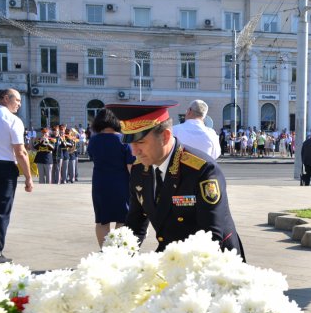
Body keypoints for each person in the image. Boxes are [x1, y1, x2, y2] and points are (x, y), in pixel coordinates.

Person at [106, 101, 245, 257]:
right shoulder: (140, 169)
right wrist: (113, 260)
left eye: (140, 142)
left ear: (165, 136)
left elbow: (211, 236)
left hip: (215, 261)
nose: (134, 152)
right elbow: (135, 225)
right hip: (171, 256)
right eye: (130, 144)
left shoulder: (201, 170)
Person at [0, 89, 33, 261]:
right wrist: (28, 178)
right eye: (16, 100)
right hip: (4, 168)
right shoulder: (12, 120)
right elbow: (20, 152)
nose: (19, 104)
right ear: (5, 98)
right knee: (1, 211)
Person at [87, 109, 136, 247]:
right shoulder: (124, 140)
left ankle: (104, 250)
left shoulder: (93, 140)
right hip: (121, 183)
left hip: (100, 183)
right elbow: (130, 166)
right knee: (123, 218)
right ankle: (118, 249)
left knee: (102, 220)